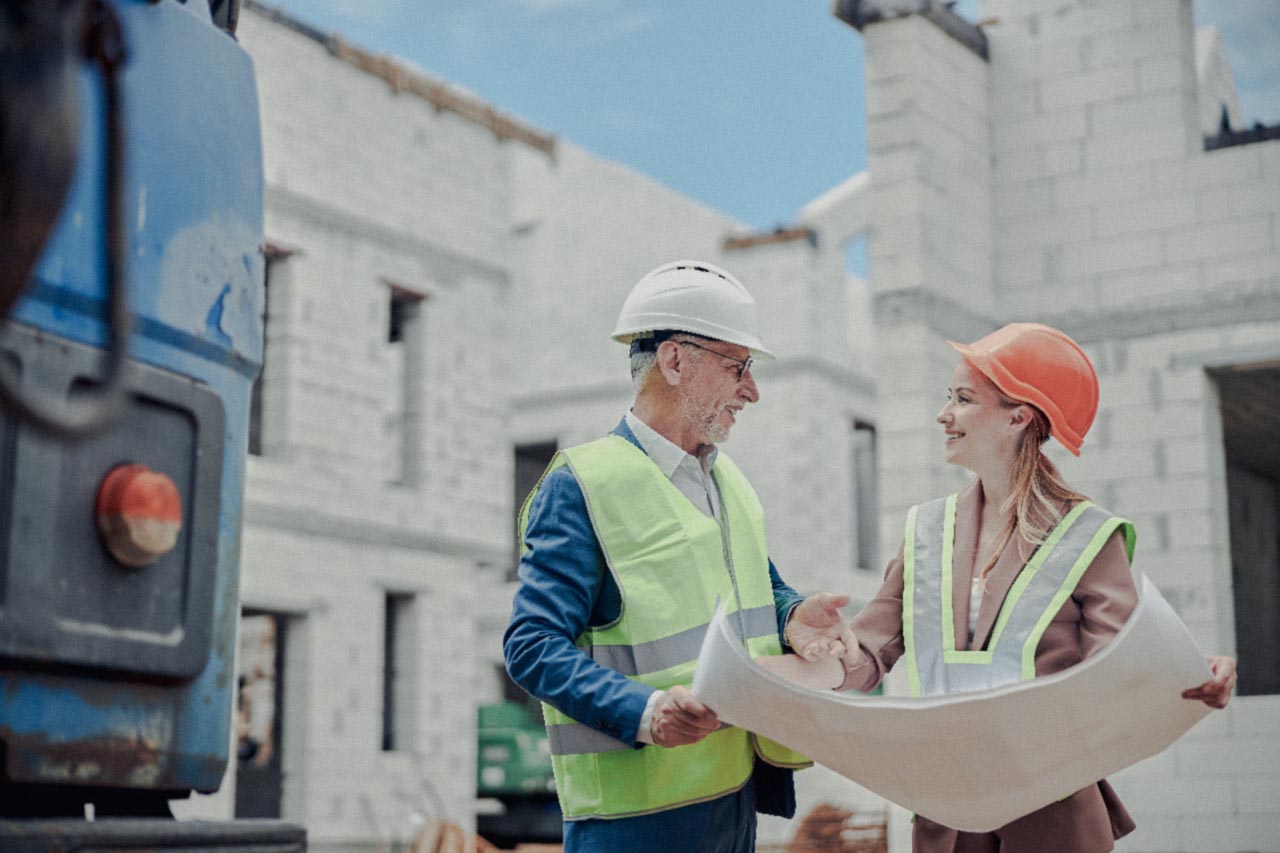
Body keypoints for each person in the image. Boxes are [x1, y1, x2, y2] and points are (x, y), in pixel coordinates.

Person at [831, 322, 1238, 853]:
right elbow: (866, 654)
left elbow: (1124, 669)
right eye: (947, 397)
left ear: (1017, 417)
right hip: (949, 814)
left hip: (1052, 816)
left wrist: (1191, 671)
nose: (943, 414)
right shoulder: (926, 532)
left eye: (962, 399)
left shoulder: (1089, 537)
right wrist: (823, 650)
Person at [503, 260, 850, 853]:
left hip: (732, 797)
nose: (752, 390)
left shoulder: (725, 479)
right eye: (737, 367)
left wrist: (791, 613)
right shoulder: (583, 484)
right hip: (635, 823)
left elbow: (748, 582)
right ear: (674, 361)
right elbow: (530, 646)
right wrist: (647, 711)